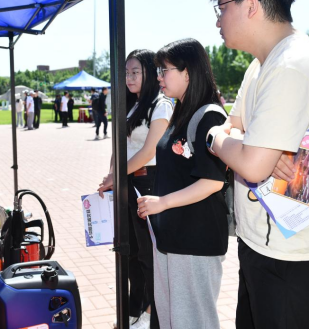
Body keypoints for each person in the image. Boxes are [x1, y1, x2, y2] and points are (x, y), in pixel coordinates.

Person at [206, 0, 309, 329]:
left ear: (250, 5)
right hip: (263, 242)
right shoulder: (261, 65)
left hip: (295, 252)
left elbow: (250, 162)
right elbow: (234, 127)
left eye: (222, 9)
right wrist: (244, 146)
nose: (218, 21)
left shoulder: (290, 64)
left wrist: (217, 141)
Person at [137, 39, 228, 328]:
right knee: (173, 319)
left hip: (195, 240)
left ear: (188, 72)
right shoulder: (180, 111)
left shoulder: (209, 115)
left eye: (164, 70)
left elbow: (213, 181)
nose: (159, 78)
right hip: (171, 238)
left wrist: (162, 202)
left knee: (193, 321)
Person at [98, 49, 172, 329]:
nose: (129, 78)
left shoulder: (160, 105)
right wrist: (112, 175)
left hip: (147, 184)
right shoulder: (132, 104)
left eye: (135, 72)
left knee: (147, 254)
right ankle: (133, 310)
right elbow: (120, 146)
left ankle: (152, 314)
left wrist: (116, 176)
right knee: (129, 252)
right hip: (128, 183)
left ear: (151, 74)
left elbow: (148, 151)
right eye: (126, 72)